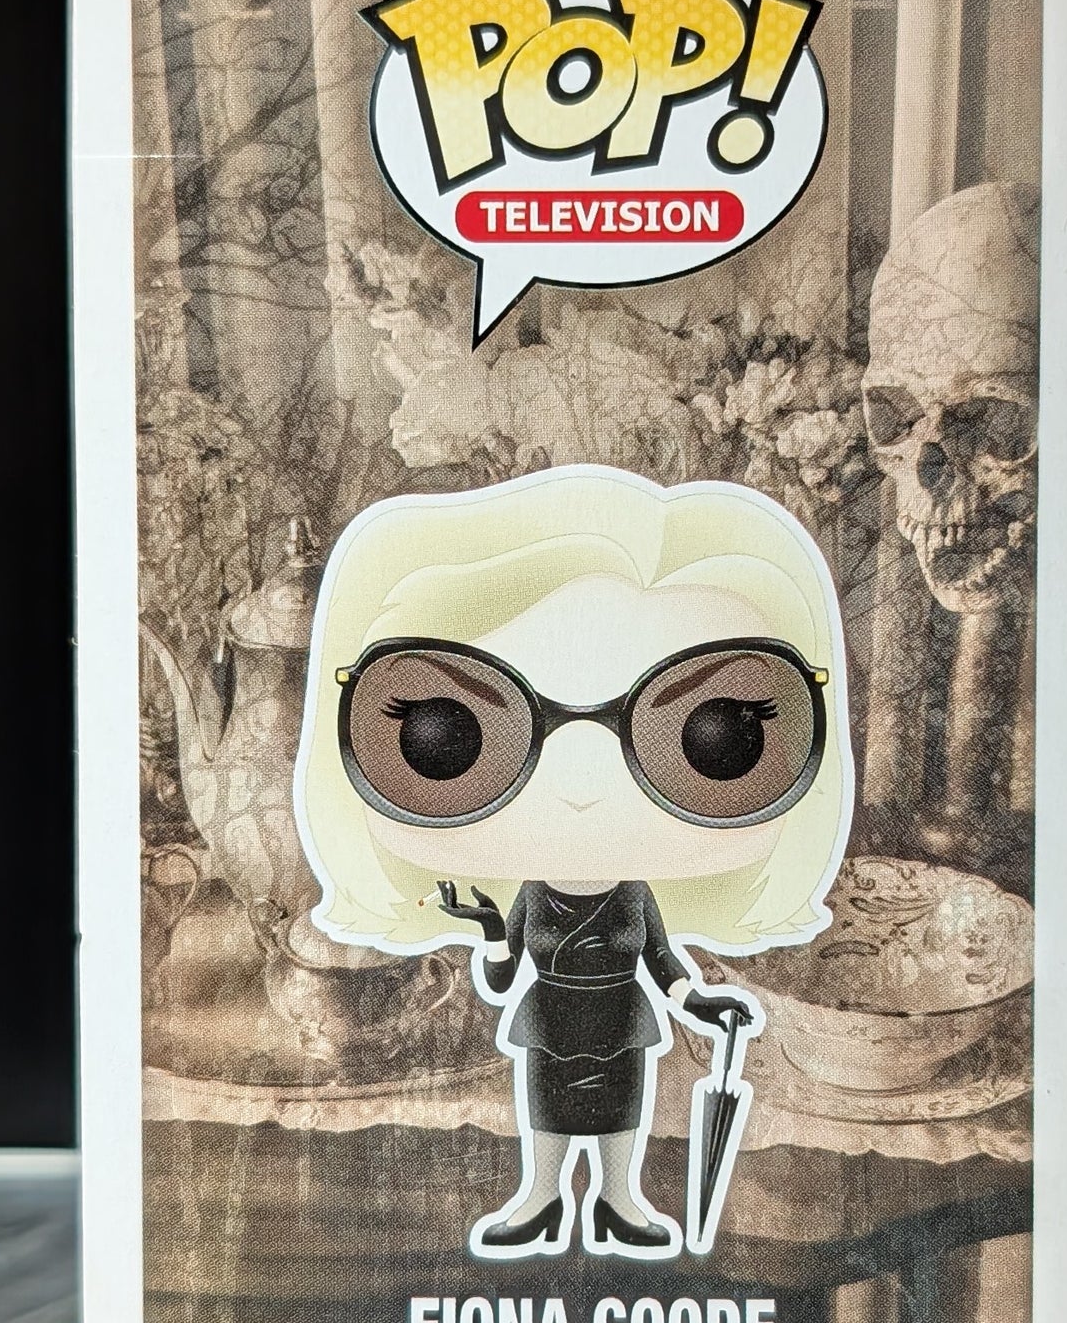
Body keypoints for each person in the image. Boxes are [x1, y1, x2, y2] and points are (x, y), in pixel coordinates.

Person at [294, 465, 852, 1259]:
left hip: (621, 1021)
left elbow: (664, 966)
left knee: (620, 1114)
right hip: (550, 1021)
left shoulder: (634, 896)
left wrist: (702, 1005)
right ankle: (543, 1196)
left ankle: (621, 1200)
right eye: (446, 735)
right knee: (551, 1113)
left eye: (717, 736)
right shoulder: (531, 893)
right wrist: (491, 929)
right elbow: (499, 979)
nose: (584, 783)